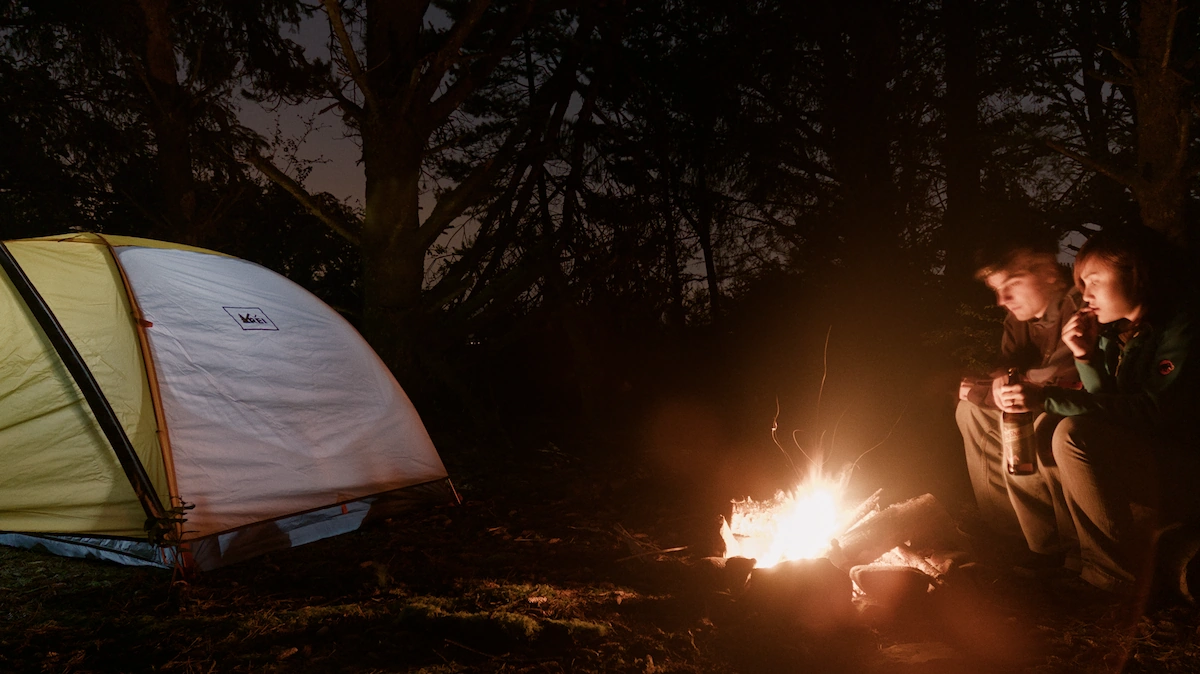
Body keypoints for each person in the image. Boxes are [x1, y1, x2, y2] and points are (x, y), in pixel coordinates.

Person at [1000, 226, 1199, 596]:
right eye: (1081, 282)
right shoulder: (1120, 332)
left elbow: (1153, 411)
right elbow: (1107, 405)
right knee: (1047, 427)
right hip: (1148, 460)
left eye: (1093, 281)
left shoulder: (1182, 326)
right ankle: (1071, 557)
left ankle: (1112, 578)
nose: (1085, 294)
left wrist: (1045, 396)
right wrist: (1085, 355)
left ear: (1137, 275)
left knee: (1074, 433)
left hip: (1186, 469)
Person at [956, 243, 1082, 562]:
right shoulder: (1018, 321)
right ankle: (1009, 532)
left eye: (1012, 285)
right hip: (1041, 399)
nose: (1002, 300)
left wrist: (989, 390)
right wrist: (997, 384)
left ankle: (1059, 547)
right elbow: (1007, 365)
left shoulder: (1079, 309)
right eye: (997, 290)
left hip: (1074, 407)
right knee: (970, 411)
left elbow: (1060, 379)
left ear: (1049, 273)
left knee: (1032, 425)